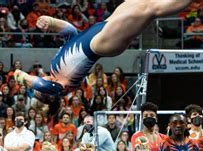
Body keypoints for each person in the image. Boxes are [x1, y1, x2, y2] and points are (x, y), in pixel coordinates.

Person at [14, 0, 193, 106]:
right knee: (149, 11)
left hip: (99, 29)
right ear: (49, 95)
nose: (40, 82)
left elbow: (71, 34)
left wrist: (51, 22)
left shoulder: (55, 68)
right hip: (102, 43)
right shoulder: (61, 87)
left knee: (138, 2)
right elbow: (39, 84)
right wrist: (20, 76)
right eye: (40, 91)